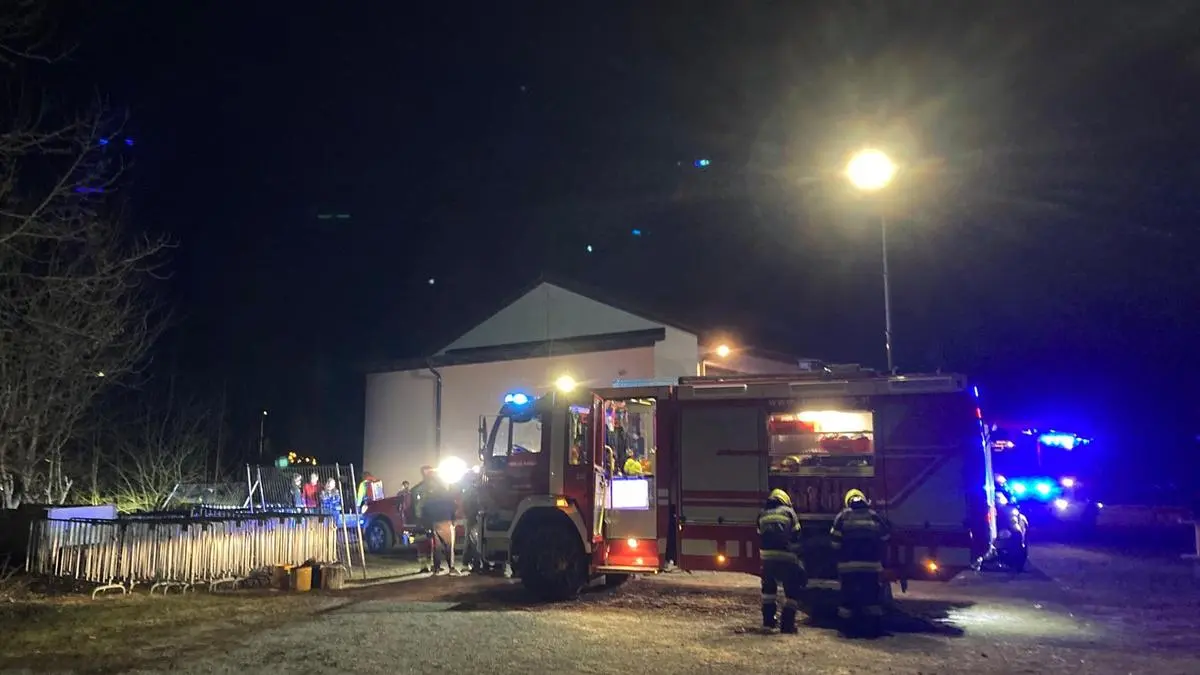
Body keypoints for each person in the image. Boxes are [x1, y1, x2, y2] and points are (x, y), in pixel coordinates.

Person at [830, 488, 891, 634]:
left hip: (848, 567)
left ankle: (846, 629)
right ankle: (873, 629)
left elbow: (835, 543)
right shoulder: (874, 516)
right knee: (872, 598)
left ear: (848, 502)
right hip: (871, 566)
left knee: (847, 599)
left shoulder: (842, 516)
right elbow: (885, 538)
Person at [757, 488, 806, 633]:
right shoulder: (789, 512)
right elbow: (797, 534)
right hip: (786, 557)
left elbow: (759, 534)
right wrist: (798, 554)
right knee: (791, 591)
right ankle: (787, 625)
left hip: (767, 558)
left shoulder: (762, 513)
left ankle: (768, 623)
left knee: (768, 593)